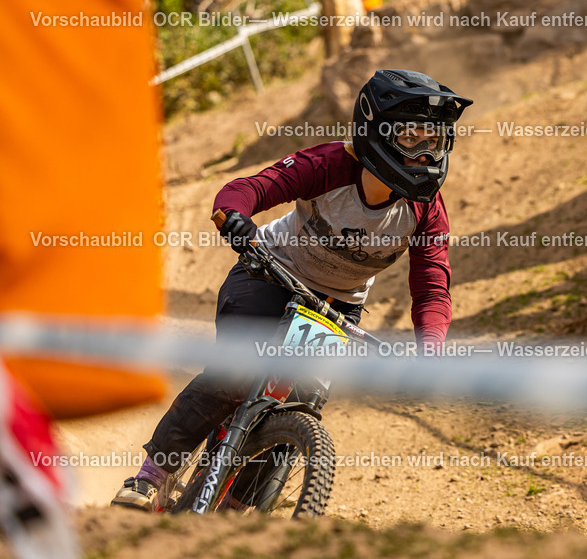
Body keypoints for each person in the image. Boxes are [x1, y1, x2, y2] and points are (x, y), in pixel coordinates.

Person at [110, 70, 473, 511]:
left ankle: (234, 511)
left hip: (335, 306)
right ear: (375, 131)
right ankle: (151, 478)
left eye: (433, 140)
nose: (423, 152)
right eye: (410, 138)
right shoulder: (328, 166)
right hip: (270, 273)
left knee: (300, 404)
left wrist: (429, 348)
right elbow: (247, 189)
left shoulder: (426, 210)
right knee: (237, 372)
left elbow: (433, 286)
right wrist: (235, 217)